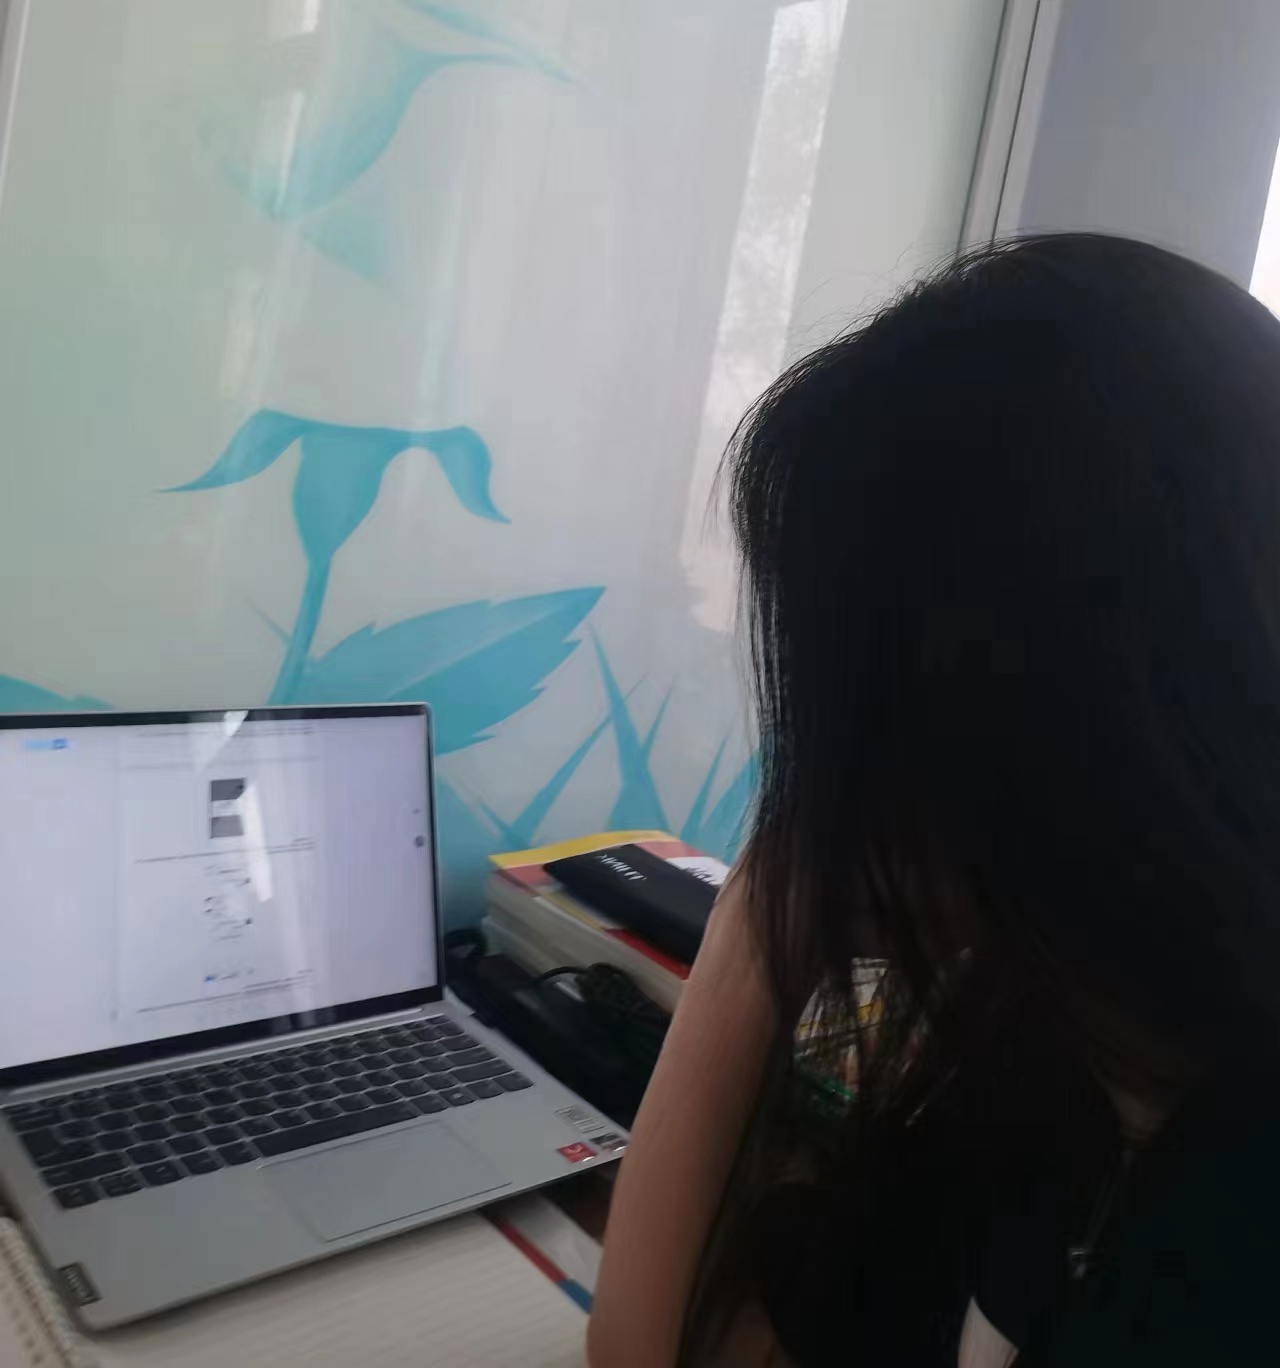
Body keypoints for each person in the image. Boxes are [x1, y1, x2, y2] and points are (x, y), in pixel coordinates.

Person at [586, 233, 1280, 1368]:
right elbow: (668, 1344)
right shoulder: (1053, 1053)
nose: (824, 773)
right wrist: (753, 933)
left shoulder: (1229, 1227)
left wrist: (756, 936)